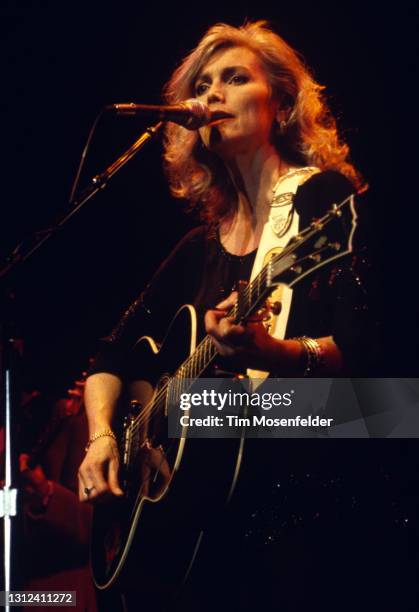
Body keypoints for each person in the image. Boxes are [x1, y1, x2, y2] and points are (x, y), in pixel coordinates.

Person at [78, 20, 387, 611]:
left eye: (235, 78)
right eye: (203, 83)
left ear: (282, 104)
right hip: (207, 530)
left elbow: (381, 384)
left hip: (305, 516)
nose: (211, 93)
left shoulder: (321, 204)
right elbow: (110, 355)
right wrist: (102, 438)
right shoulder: (197, 247)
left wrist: (274, 357)